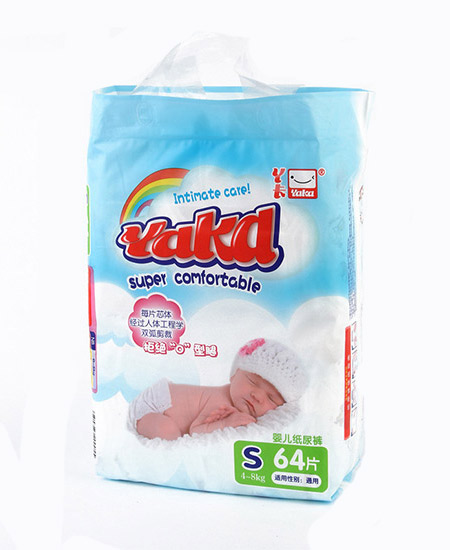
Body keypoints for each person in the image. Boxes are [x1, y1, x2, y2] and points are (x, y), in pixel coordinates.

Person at [128, 338, 304, 440]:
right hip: (155, 406)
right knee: (168, 432)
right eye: (252, 381)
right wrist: (224, 424)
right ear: (234, 375)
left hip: (164, 400)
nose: (257, 396)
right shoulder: (222, 402)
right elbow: (195, 430)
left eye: (272, 398)